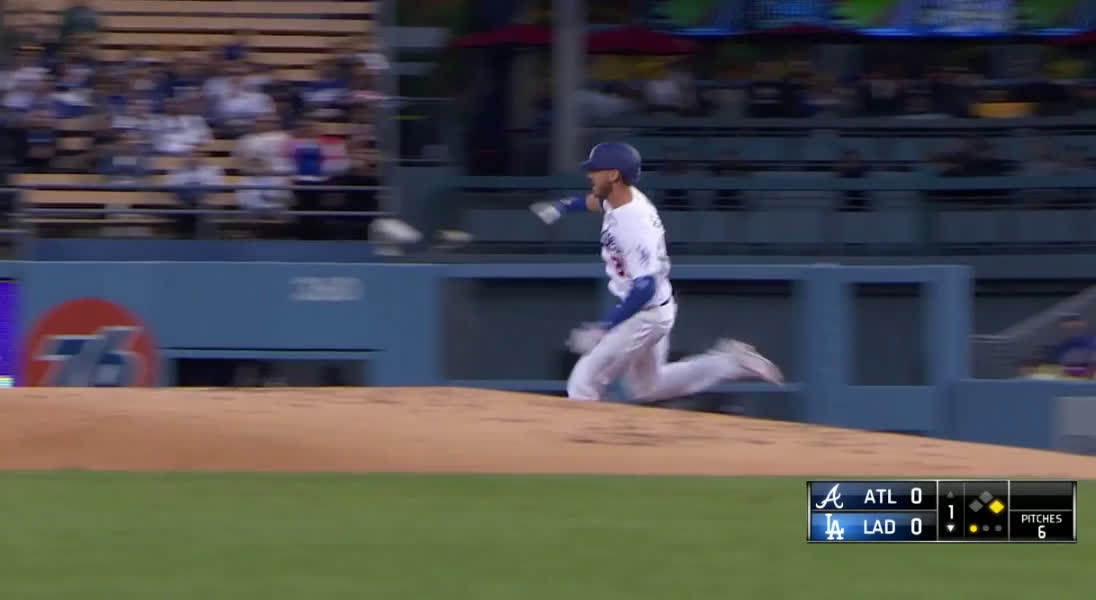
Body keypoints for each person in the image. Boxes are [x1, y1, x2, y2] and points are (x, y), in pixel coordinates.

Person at [528, 142, 783, 403]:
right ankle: (730, 363)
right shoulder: (622, 197)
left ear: (613, 175)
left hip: (645, 313)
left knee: (583, 381)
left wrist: (604, 327)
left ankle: (582, 432)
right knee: (647, 387)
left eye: (596, 170)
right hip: (656, 306)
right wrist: (562, 206)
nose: (590, 175)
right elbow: (596, 202)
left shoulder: (633, 222)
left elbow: (644, 286)